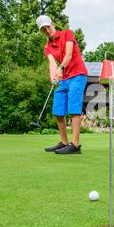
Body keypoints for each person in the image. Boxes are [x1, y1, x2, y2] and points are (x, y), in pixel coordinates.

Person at [36, 15, 88, 154]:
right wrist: (53, 75)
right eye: (43, 29)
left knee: (74, 108)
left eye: (48, 26)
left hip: (78, 75)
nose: (47, 30)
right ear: (41, 32)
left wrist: (61, 68)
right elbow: (52, 63)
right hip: (65, 79)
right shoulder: (47, 47)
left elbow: (69, 54)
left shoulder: (67, 34)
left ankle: (75, 145)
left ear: (52, 24)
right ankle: (64, 142)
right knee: (58, 109)